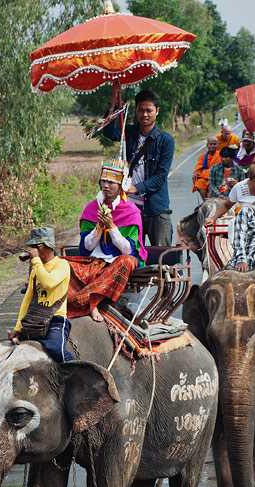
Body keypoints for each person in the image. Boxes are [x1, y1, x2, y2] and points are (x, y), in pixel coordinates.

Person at [68, 159, 143, 322]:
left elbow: (128, 250)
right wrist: (99, 228)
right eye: (103, 181)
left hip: (118, 262)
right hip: (95, 261)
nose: (106, 186)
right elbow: (85, 248)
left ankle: (91, 302)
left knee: (127, 261)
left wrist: (111, 227)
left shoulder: (131, 211)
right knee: (60, 264)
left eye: (111, 182)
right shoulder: (91, 208)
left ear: (121, 185)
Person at [104, 88, 175, 247]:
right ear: (135, 111)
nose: (145, 114)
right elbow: (108, 131)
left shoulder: (165, 140)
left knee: (163, 257)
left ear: (157, 111)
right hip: (130, 207)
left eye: (149, 110)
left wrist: (136, 188)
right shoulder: (127, 132)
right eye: (141, 110)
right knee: (132, 254)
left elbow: (160, 177)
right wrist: (114, 106)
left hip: (157, 208)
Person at [8, 226, 72, 363]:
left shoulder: (62, 264)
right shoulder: (35, 269)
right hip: (35, 320)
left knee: (56, 350)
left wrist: (36, 260)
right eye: (32, 247)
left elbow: (49, 282)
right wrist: (18, 327)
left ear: (47, 246)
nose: (33, 250)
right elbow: (28, 299)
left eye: (36, 246)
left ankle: (76, 372)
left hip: (56, 319)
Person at [192, 136, 220, 201]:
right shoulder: (203, 156)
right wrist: (196, 173)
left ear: (217, 145)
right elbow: (198, 167)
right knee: (199, 183)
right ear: (207, 145)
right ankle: (205, 201)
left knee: (212, 185)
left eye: (214, 144)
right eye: (211, 144)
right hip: (205, 178)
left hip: (217, 178)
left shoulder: (220, 155)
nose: (212, 146)